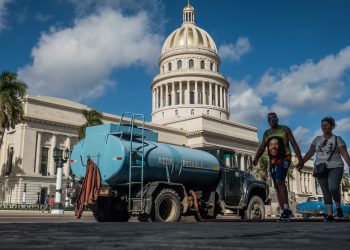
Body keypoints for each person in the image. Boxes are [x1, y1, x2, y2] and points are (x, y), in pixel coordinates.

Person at [252, 112, 303, 220]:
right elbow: (262, 147)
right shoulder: (267, 133)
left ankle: (286, 208)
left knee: (280, 180)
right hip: (273, 161)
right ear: (268, 121)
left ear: (277, 119)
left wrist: (300, 159)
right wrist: (256, 158)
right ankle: (284, 211)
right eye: (269, 119)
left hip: (285, 159)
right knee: (276, 185)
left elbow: (294, 144)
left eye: (273, 118)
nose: (271, 121)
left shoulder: (285, 129)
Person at [298, 116, 350, 222]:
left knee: (333, 188)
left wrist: (349, 165)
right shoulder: (317, 139)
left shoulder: (337, 139)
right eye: (322, 126)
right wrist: (302, 162)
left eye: (326, 125)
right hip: (320, 168)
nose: (324, 127)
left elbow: (344, 153)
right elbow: (311, 152)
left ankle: (338, 207)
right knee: (325, 191)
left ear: (331, 126)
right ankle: (330, 214)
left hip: (335, 166)